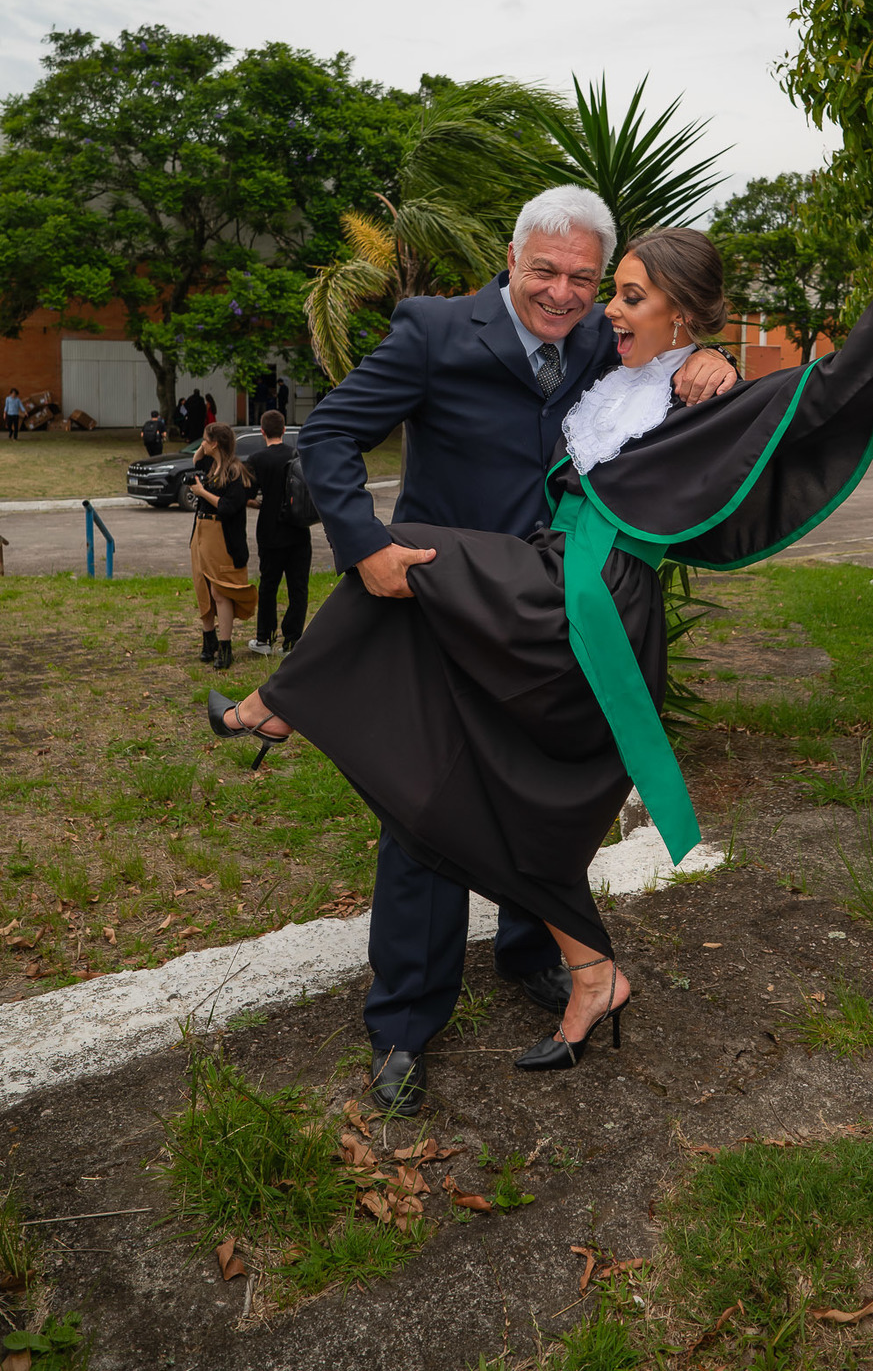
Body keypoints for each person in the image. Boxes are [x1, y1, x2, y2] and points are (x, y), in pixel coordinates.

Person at [209, 223, 873, 1107]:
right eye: (591, 286)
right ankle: (561, 977)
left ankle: (278, 707)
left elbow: (834, 386)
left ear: (683, 312)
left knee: (409, 557)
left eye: (623, 294)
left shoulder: (699, 395)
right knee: (470, 782)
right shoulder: (600, 362)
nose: (595, 306)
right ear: (514, 265)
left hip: (582, 596)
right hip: (547, 583)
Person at [213, 188, 736, 1116]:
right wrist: (364, 544)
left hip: (543, 617)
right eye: (545, 271)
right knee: (425, 810)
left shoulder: (599, 340)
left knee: (533, 791)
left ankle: (533, 952)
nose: (565, 294)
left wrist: (713, 365)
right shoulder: (431, 332)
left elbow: (663, 351)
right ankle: (406, 1021)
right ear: (510, 257)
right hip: (438, 604)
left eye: (584, 278)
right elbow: (330, 433)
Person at [243, 409, 311, 656]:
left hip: (270, 531)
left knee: (268, 585)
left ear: (262, 431)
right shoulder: (297, 455)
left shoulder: (257, 459)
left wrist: (256, 502)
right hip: (298, 530)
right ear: (284, 430)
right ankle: (292, 642)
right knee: (298, 588)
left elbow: (248, 494)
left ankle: (265, 639)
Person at [189, 422, 257, 669]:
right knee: (203, 587)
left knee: (220, 590)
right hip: (201, 532)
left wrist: (201, 493)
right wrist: (203, 447)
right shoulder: (209, 465)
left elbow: (229, 506)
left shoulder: (235, 471)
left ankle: (225, 648)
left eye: (205, 439)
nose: (202, 444)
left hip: (222, 536)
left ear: (215, 443)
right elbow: (196, 461)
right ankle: (209, 640)